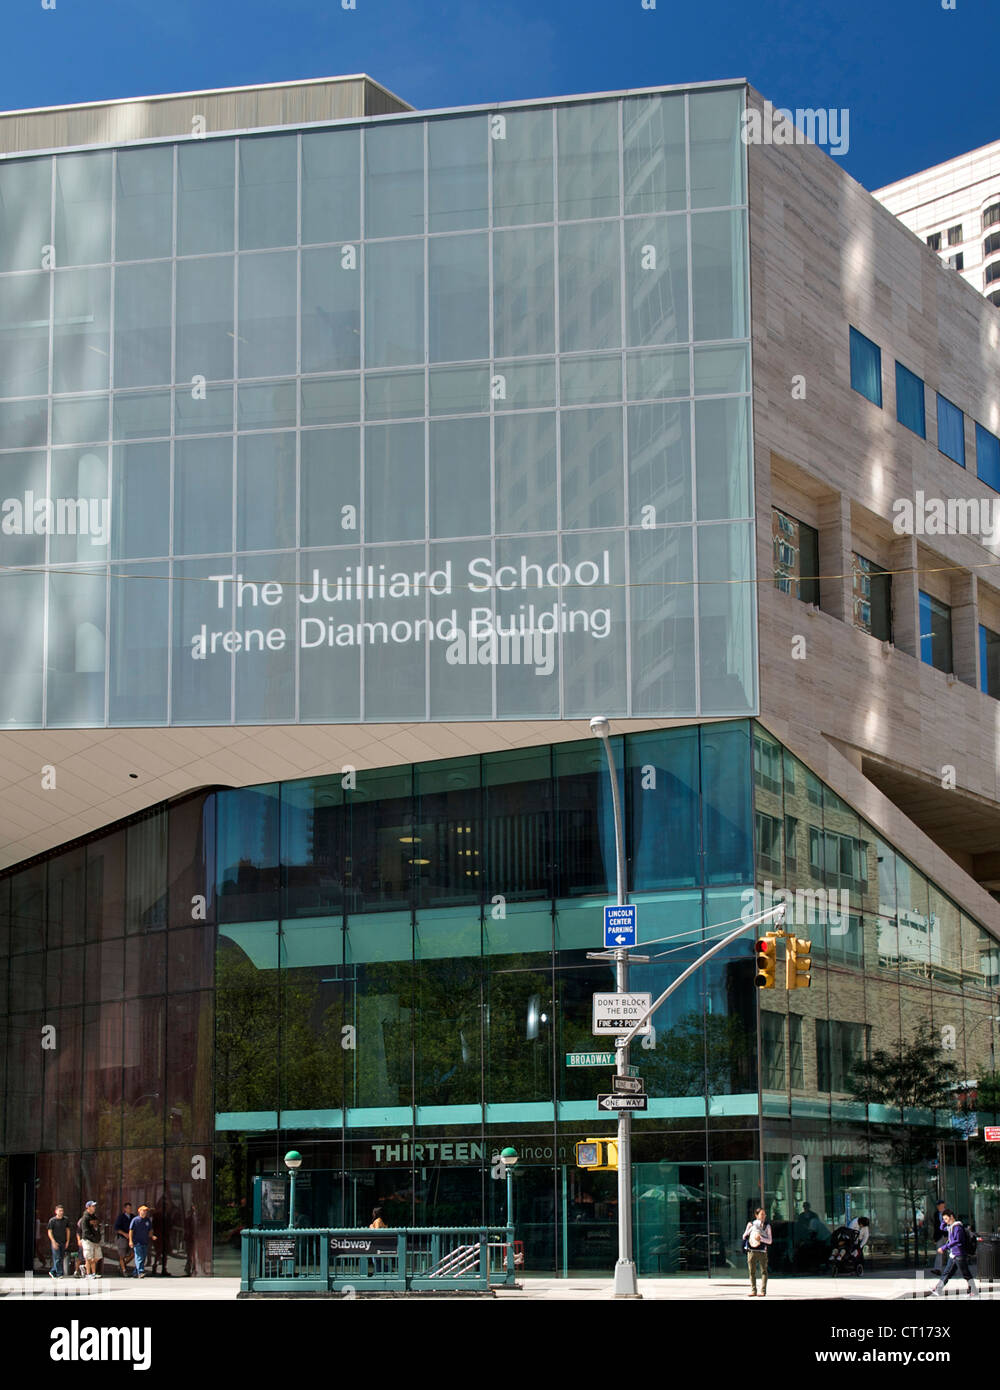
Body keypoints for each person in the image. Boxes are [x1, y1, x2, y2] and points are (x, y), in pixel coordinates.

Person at [928, 1209, 979, 1298]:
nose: (945, 1221)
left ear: (951, 1217)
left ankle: (973, 1291)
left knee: (966, 1274)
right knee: (947, 1273)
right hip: (954, 1255)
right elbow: (941, 1228)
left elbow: (957, 1240)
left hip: (959, 1255)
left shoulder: (957, 1227)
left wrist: (944, 1247)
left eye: (946, 1219)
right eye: (944, 1219)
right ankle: (938, 1289)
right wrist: (944, 1221)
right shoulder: (951, 1226)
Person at [742, 1207, 772, 1297]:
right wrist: (750, 1231)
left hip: (762, 1251)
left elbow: (770, 1241)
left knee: (764, 1271)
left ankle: (763, 1291)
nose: (763, 1216)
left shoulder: (767, 1226)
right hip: (751, 1251)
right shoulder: (751, 1224)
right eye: (761, 1214)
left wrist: (761, 1238)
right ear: (756, 1215)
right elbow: (744, 1236)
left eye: (764, 1214)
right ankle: (753, 1290)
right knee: (752, 1272)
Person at [77, 1200, 103, 1280]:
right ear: (88, 1207)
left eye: (94, 1206)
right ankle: (88, 1274)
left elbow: (97, 1228)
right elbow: (85, 1231)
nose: (94, 1207)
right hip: (88, 1240)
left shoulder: (94, 1217)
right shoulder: (85, 1218)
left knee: (97, 1256)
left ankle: (86, 1268)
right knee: (88, 1258)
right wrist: (92, 1237)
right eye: (92, 1206)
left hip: (96, 1240)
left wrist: (98, 1237)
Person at [128, 1204, 156, 1278]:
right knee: (139, 1257)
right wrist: (130, 1241)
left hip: (145, 1241)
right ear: (139, 1211)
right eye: (143, 1210)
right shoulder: (135, 1220)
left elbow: (150, 1230)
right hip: (137, 1242)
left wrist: (152, 1236)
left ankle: (135, 1272)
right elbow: (131, 1230)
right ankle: (140, 1272)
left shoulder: (147, 1220)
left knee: (143, 1257)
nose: (144, 1212)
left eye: (146, 1211)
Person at [47, 1204, 70, 1279]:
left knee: (61, 1257)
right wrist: (53, 1241)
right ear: (56, 1211)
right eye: (59, 1211)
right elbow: (49, 1232)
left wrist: (67, 1241)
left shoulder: (65, 1220)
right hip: (55, 1241)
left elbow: (68, 1230)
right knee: (56, 1257)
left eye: (62, 1211)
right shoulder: (52, 1221)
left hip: (63, 1241)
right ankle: (59, 1273)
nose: (61, 1212)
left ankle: (53, 1271)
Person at [113, 1203, 135, 1277]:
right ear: (125, 1209)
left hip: (131, 1238)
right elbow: (116, 1228)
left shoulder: (133, 1217)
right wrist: (124, 1234)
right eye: (128, 1208)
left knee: (133, 1253)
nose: (129, 1209)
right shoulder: (121, 1217)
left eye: (130, 1208)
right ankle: (124, 1270)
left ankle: (122, 1264)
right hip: (122, 1238)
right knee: (122, 1255)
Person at [931, 1199, 948, 1271]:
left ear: (943, 1205)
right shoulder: (936, 1214)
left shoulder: (948, 1213)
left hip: (947, 1235)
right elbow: (935, 1226)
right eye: (938, 1206)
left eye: (940, 1205)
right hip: (939, 1236)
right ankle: (937, 1268)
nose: (939, 1207)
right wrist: (935, 1237)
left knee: (950, 1252)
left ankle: (951, 1268)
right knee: (939, 1251)